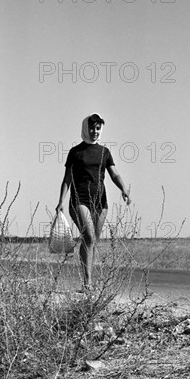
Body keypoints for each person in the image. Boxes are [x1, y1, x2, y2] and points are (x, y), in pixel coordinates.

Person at [55, 113, 131, 289]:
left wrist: (124, 189)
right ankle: (87, 282)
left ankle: (88, 279)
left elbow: (114, 173)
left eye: (98, 128)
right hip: (79, 199)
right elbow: (67, 178)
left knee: (92, 240)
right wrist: (61, 201)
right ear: (85, 128)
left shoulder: (104, 152)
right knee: (88, 236)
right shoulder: (75, 152)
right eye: (91, 128)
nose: (95, 131)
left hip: (100, 201)